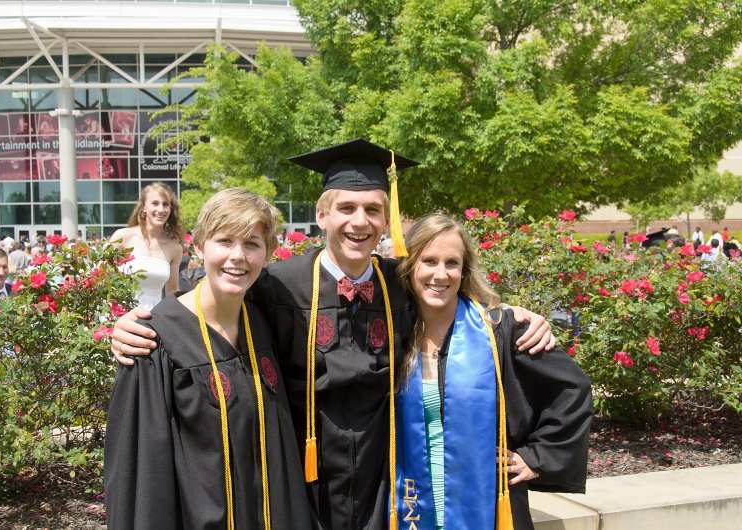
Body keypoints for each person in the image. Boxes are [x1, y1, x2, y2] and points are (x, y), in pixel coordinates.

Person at [110, 139, 555, 529]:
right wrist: (136, 324)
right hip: (301, 488)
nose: (359, 222)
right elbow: (213, 299)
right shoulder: (277, 286)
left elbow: (448, 299)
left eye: (372, 210)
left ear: (386, 221)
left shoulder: (398, 286)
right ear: (322, 214)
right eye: (346, 208)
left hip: (385, 483)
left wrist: (507, 313)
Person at [105, 188, 312, 529]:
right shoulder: (154, 341)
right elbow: (141, 475)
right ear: (199, 247)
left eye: (251, 244)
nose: (238, 256)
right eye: (224, 241)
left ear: (268, 253)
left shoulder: (261, 324)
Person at [394, 214, 592, 529]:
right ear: (409, 266)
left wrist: (538, 457)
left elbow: (572, 389)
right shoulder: (391, 334)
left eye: (452, 263)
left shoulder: (498, 330)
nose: (440, 274)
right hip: (408, 504)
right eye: (428, 261)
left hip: (487, 506)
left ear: (464, 270)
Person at [110, 182, 184, 309]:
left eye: (165, 204)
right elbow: (100, 276)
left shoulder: (175, 248)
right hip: (119, 314)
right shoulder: (123, 237)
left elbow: (172, 291)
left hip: (153, 317)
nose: (161, 209)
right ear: (143, 207)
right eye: (155, 203)